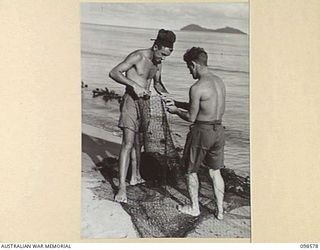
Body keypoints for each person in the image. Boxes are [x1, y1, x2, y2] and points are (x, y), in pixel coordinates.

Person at [109, 29, 176, 203]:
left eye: (166, 55)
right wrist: (133, 85)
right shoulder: (137, 56)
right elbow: (114, 72)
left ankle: (135, 177)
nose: (162, 58)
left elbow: (158, 84)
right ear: (155, 46)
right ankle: (122, 189)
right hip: (131, 101)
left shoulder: (158, 62)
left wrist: (167, 96)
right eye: (162, 53)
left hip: (145, 104)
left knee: (139, 143)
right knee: (128, 143)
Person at [165, 47, 225, 220]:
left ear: (194, 64)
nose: (189, 72)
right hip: (219, 131)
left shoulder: (197, 87)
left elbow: (192, 116)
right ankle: (220, 211)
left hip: (202, 132)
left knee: (191, 171)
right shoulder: (219, 82)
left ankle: (194, 208)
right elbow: (205, 106)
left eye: (189, 68)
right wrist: (176, 102)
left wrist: (175, 111)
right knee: (215, 172)